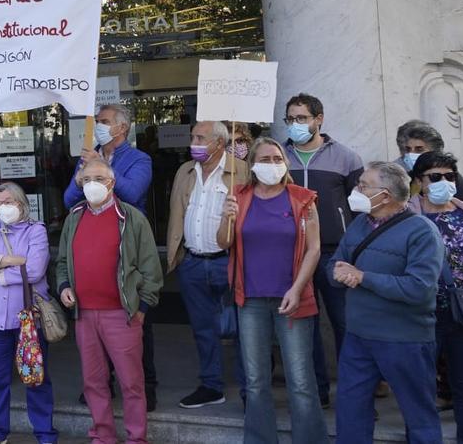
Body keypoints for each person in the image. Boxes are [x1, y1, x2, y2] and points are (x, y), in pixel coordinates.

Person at [215, 137, 326, 444]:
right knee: (255, 380)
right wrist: (226, 216)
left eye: (277, 159)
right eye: (264, 159)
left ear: (286, 163)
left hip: (293, 298)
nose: (272, 165)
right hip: (248, 299)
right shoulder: (238, 195)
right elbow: (223, 242)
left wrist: (297, 288)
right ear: (251, 164)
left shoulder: (303, 198)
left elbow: (314, 249)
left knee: (301, 381)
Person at [329, 161, 443, 443]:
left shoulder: (422, 232)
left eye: (364, 185)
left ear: (386, 195)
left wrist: (363, 277)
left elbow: (420, 288)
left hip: (404, 339)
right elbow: (335, 265)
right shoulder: (358, 224)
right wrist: (336, 273)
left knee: (419, 416)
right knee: (350, 412)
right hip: (358, 336)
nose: (356, 189)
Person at [56, 159, 162, 444]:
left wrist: (142, 309)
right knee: (93, 381)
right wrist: (64, 285)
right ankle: (103, 435)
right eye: (86, 178)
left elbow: (152, 270)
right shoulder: (74, 217)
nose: (92, 184)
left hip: (121, 314)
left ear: (112, 183)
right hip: (85, 315)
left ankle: (136, 438)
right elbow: (63, 262)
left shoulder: (131, 218)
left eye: (99, 178)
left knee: (131, 382)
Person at [63, 104, 159, 408]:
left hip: (126, 246)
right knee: (96, 335)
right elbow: (69, 198)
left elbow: (131, 192)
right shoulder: (88, 158)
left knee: (135, 328)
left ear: (122, 128)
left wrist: (104, 169)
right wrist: (85, 174)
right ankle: (102, 385)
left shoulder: (139, 159)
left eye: (104, 122)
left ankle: (147, 385)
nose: (99, 127)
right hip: (94, 237)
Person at [283, 92, 364, 406]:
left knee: (345, 323)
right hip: (294, 255)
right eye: (290, 119)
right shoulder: (279, 156)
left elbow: (359, 210)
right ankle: (317, 392)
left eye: (301, 118)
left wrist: (352, 250)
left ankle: (353, 390)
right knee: (305, 326)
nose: (295, 124)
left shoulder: (346, 157)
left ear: (319, 119)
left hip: (334, 254)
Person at [166, 121, 246, 409]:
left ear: (219, 144)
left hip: (230, 261)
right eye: (192, 137)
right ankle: (211, 385)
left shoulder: (241, 170)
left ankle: (251, 388)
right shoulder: (185, 171)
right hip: (193, 262)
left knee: (242, 328)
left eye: (200, 137)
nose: (194, 142)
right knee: (203, 328)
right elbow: (177, 213)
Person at [0, 182, 56, 444]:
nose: (3, 208)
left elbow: (35, 270)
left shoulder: (36, 230)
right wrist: (11, 261)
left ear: (21, 203)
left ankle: (44, 433)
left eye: (8, 202)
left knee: (36, 378)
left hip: (28, 319)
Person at [410, 150, 463, 440]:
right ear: (419, 182)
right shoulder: (406, 218)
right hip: (422, 315)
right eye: (435, 177)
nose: (444, 181)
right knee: (420, 388)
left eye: (449, 176)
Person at [397, 121, 463, 200]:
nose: (411, 154)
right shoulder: (404, 179)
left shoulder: (449, 176)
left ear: (434, 151)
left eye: (419, 149)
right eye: (408, 149)